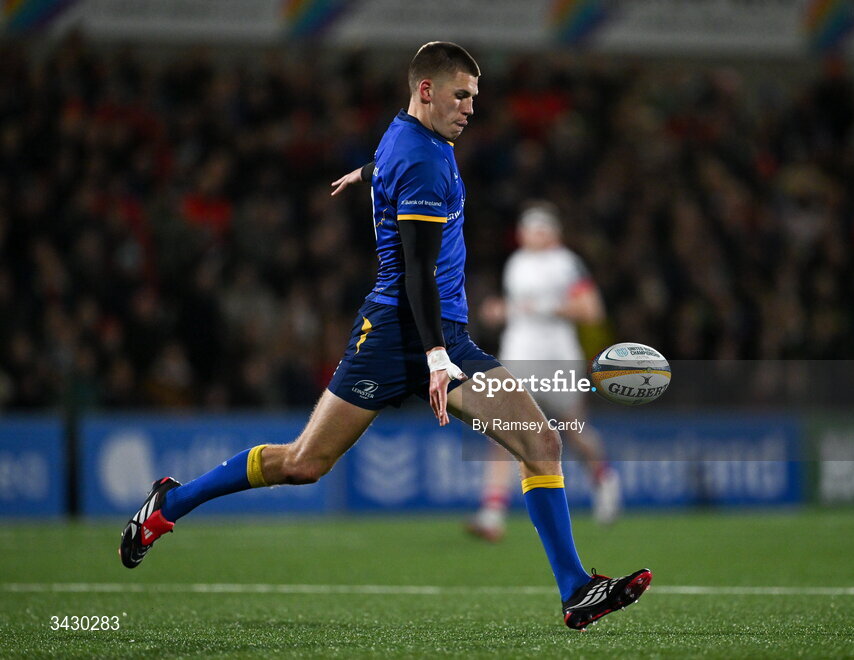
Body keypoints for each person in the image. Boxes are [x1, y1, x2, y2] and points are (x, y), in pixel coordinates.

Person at [118, 42, 650, 630]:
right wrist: (437, 357)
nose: (472, 106)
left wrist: (372, 175)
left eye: (475, 96)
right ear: (426, 90)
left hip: (443, 333)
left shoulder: (412, 140)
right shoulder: (423, 158)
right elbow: (418, 270)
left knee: (540, 442)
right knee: (302, 463)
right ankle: (169, 503)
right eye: (461, 94)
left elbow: (397, 165)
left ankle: (576, 589)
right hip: (400, 334)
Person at [466, 202, 622, 543]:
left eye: (541, 229)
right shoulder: (517, 264)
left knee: (573, 429)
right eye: (529, 228)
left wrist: (539, 307)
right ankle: (492, 513)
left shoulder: (566, 263)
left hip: (557, 358)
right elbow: (518, 311)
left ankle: (603, 476)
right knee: (502, 430)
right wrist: (502, 311)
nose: (534, 235)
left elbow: (591, 310)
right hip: (519, 356)